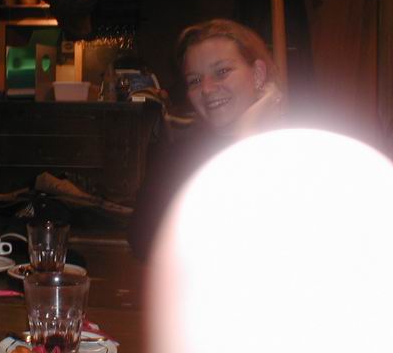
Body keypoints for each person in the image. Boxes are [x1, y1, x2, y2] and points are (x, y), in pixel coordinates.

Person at [147, 128, 393, 353]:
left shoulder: (313, 154)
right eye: (193, 86)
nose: (206, 95)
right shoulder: (182, 155)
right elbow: (144, 234)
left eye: (222, 75)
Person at [128, 19, 283, 258]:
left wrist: (247, 137)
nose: (207, 89)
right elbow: (143, 241)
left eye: (221, 72)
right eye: (195, 80)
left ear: (258, 74)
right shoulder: (176, 158)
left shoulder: (295, 148)